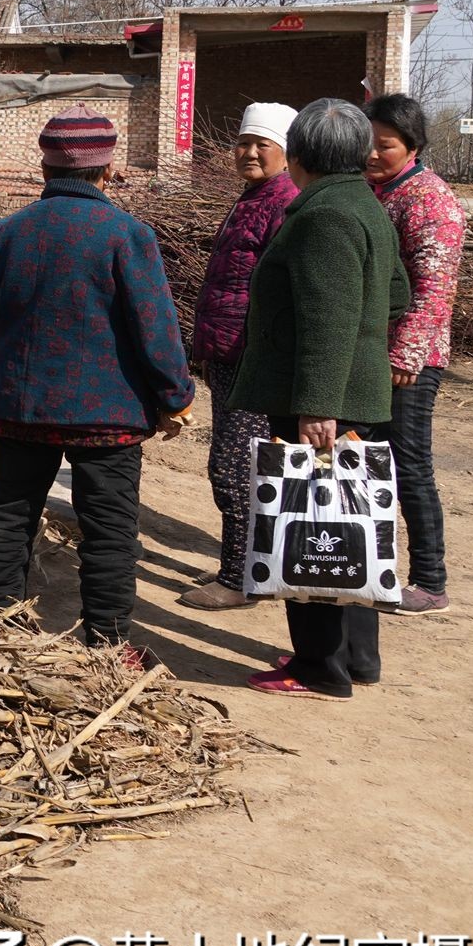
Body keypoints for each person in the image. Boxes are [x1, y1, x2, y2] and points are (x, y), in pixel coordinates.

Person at [0, 109, 194, 665]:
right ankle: (108, 643)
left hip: (20, 408)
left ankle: (0, 629)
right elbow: (155, 326)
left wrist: (0, 385)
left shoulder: (4, 233)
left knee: (9, 517)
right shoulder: (128, 235)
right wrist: (175, 397)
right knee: (110, 529)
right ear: (109, 166)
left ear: (44, 164)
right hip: (109, 415)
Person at [230, 99, 411, 700]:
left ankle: (318, 668)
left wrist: (316, 405)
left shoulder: (323, 216)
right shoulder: (365, 205)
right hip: (353, 390)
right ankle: (355, 657)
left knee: (313, 523)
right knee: (353, 522)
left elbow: (328, 320)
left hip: (322, 399)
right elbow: (395, 296)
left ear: (300, 153)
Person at [180, 102, 301, 611]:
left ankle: (239, 580)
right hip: (229, 354)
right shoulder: (253, 197)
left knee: (236, 468)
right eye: (244, 144)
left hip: (252, 361)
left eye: (262, 146)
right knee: (235, 464)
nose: (249, 153)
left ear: (287, 152)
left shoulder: (284, 204)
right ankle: (245, 563)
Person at [365, 93, 465, 614]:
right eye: (369, 143)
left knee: (409, 465)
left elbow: (434, 288)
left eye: (386, 146)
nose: (374, 154)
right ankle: (372, 566)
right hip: (369, 355)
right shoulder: (374, 192)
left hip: (410, 363)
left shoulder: (429, 200)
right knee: (370, 463)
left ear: (413, 147)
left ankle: (430, 579)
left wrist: (405, 355)